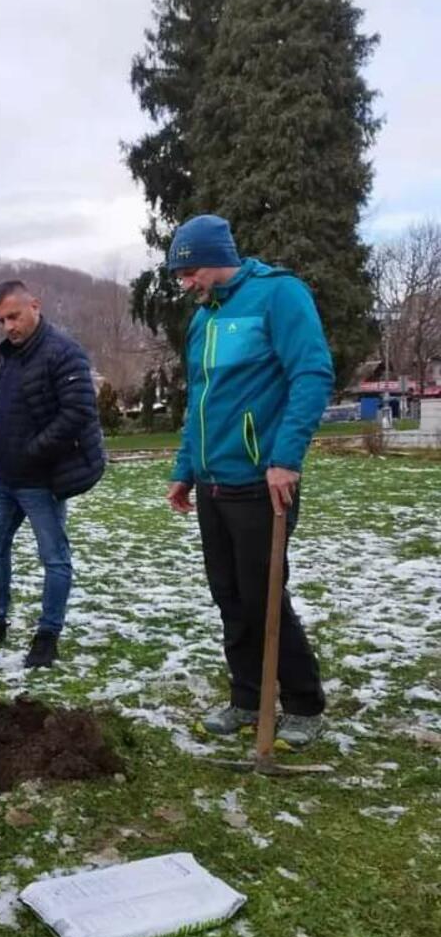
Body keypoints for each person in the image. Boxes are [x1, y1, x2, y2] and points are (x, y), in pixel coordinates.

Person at [164, 214, 334, 748]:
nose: (184, 284)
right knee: (229, 597)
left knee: (264, 597)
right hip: (214, 484)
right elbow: (201, 401)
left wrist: (286, 457)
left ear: (213, 260)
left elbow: (311, 373)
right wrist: (184, 469)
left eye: (188, 272)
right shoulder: (203, 320)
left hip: (262, 482)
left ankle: (304, 704)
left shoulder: (278, 295)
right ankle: (245, 697)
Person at [0, 280, 104, 668]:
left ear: (35, 305)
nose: (8, 326)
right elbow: (2, 406)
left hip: (40, 480)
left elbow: (77, 414)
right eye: (1, 320)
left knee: (53, 558)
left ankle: (47, 635)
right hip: (3, 477)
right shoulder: (7, 354)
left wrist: (32, 452)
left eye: (14, 316)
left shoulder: (64, 353)